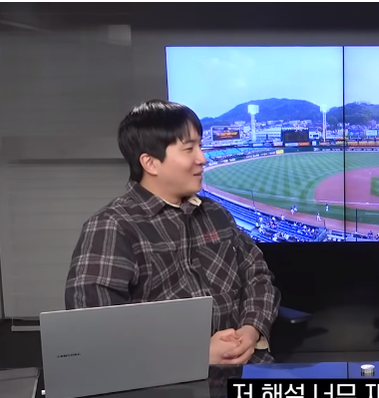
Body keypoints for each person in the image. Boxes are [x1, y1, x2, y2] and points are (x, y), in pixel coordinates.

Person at [64, 99, 281, 365]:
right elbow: (93, 336)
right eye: (189, 149)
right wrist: (197, 354)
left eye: (200, 146)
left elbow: (258, 277)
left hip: (250, 369)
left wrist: (251, 329)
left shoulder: (217, 214)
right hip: (169, 385)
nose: (202, 158)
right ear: (151, 163)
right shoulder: (112, 228)